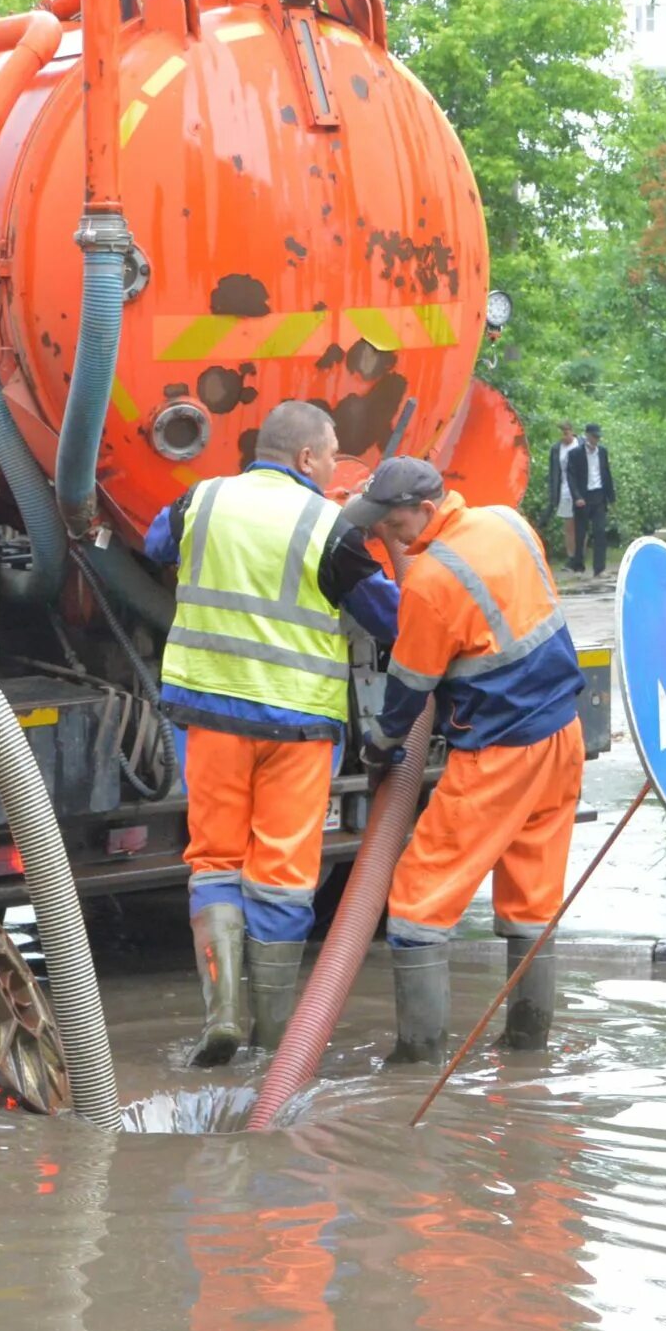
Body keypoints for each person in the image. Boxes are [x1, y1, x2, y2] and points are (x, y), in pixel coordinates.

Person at [143, 400, 399, 1065]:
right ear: (309, 458)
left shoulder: (203, 499)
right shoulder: (328, 527)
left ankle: (223, 1014)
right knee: (283, 875)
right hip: (296, 726)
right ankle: (275, 1044)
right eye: (334, 450)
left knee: (214, 860)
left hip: (210, 717)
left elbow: (153, 545)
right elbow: (385, 616)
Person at [348, 457, 585, 1062]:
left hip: (502, 751)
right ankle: (529, 1048)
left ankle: (417, 1058)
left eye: (392, 521)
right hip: (563, 734)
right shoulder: (508, 522)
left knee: (418, 897)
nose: (386, 534)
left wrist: (379, 746)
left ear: (426, 511)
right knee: (532, 895)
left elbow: (408, 687)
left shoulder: (430, 581)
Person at [562, 424, 615, 576]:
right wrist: (577, 497)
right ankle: (578, 566)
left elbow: (606, 474)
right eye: (593, 436)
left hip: (598, 496)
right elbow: (571, 477)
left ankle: (599, 568)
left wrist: (611, 497)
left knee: (600, 532)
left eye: (598, 437)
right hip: (583, 497)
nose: (596, 440)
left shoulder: (602, 452)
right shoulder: (575, 454)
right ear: (587, 436)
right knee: (580, 533)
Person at [546, 422, 581, 567]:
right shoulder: (556, 449)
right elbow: (554, 472)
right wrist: (553, 492)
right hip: (565, 489)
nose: (564, 437)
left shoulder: (580, 445)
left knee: (581, 525)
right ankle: (571, 557)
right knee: (569, 526)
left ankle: (579, 556)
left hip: (581, 490)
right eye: (561, 434)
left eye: (566, 433)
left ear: (572, 432)